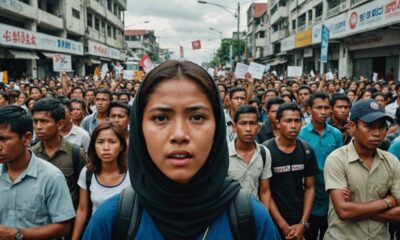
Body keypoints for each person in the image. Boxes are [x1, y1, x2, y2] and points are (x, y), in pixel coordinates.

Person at [82, 60, 280, 239]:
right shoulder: (111, 219)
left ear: (217, 128)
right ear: (139, 128)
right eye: (160, 118)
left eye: (197, 117)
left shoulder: (252, 218)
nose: (179, 134)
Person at [324, 99, 400, 240]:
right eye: (369, 126)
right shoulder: (337, 160)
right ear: (352, 127)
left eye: (382, 126)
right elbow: (344, 212)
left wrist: (357, 208)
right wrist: (387, 202)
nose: (377, 133)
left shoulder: (391, 162)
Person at [0, 105, 75, 239]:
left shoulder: (51, 177)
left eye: (4, 139)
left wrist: (17, 234)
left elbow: (63, 226)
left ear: (27, 138)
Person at [264, 102, 317, 240]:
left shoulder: (307, 150)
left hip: (299, 217)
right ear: (278, 123)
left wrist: (303, 223)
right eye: (288, 121)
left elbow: (310, 188)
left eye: (297, 120)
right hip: (274, 220)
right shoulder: (266, 151)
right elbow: (265, 191)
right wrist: (283, 225)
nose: (293, 126)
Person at [72, 121, 131, 240]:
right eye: (100, 142)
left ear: (121, 146)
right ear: (93, 146)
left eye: (112, 142)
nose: (106, 148)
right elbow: (83, 209)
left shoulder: (133, 173)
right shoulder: (87, 172)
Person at [298, 92, 343, 240]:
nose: (323, 112)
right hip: (309, 193)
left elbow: (340, 163)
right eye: (318, 108)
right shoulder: (301, 134)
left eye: (326, 108)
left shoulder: (336, 134)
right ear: (309, 110)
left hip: (331, 194)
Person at [31, 98, 87, 208]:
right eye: (35, 121)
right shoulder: (30, 154)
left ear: (60, 124)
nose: (38, 127)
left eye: (44, 121)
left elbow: (84, 195)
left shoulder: (76, 154)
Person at [228, 105, 272, 209]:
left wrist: (263, 216)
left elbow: (264, 191)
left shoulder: (264, 153)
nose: (248, 129)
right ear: (234, 127)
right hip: (229, 214)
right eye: (243, 123)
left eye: (252, 123)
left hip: (255, 212)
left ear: (258, 127)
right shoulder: (224, 154)